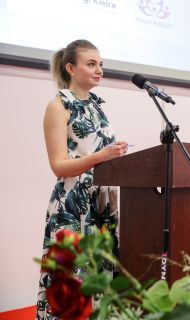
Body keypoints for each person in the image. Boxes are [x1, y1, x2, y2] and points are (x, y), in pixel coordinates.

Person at [37, 40, 129, 319]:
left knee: (102, 278)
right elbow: (58, 166)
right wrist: (100, 157)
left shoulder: (97, 106)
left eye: (100, 64)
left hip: (103, 203)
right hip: (73, 206)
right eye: (91, 64)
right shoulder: (58, 105)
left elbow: (99, 153)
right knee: (72, 281)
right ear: (70, 68)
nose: (99, 69)